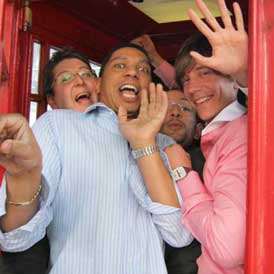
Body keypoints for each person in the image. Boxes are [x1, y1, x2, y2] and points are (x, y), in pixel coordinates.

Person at [0, 43, 192, 274]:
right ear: (99, 84)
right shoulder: (58, 125)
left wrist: (144, 144)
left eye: (143, 69)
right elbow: (15, 238)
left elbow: (179, 235)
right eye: (120, 65)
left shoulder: (163, 144)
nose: (133, 72)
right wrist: (22, 177)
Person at [165, 0, 248, 273]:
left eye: (205, 72)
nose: (193, 87)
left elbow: (227, 249)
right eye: (186, 79)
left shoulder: (239, 134)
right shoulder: (218, 134)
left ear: (233, 77)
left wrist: (183, 175)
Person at [0, 48, 99, 274]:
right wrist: (24, 177)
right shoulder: (49, 128)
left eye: (87, 74)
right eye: (66, 78)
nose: (80, 81)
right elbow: (15, 237)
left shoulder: (124, 132)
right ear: (52, 100)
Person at [161, 89, 204, 274]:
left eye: (185, 108)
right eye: (164, 106)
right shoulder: (129, 160)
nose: (175, 112)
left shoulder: (209, 165)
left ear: (198, 131)